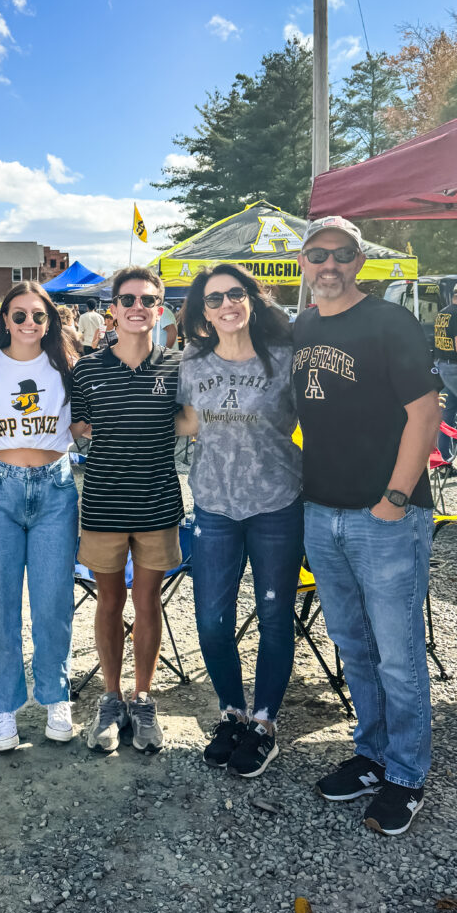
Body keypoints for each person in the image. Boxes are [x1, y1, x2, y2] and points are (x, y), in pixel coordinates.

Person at [293, 215, 440, 836]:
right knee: (353, 646)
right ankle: (371, 754)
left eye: (341, 254)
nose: (329, 265)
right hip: (319, 512)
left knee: (400, 654)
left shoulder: (390, 323)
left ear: (359, 261)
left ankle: (407, 773)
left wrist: (396, 497)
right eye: (317, 254)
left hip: (385, 516)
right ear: (303, 262)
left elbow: (426, 412)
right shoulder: (299, 329)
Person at [176, 264, 302, 777]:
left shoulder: (286, 360)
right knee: (211, 618)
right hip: (214, 506)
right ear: (202, 312)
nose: (226, 304)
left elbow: (317, 419)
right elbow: (186, 419)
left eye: (234, 293)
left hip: (276, 504)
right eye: (213, 299)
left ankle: (265, 722)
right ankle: (231, 712)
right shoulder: (192, 362)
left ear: (252, 299)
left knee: (274, 617)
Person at [71, 266, 182, 755]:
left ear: (160, 309)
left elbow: (192, 420)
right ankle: (110, 698)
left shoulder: (177, 367)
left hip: (158, 504)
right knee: (109, 602)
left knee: (148, 602)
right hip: (103, 504)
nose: (138, 307)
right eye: (128, 299)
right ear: (112, 309)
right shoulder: (88, 369)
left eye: (148, 300)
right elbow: (77, 425)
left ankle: (143, 698)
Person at [0, 282, 78, 750]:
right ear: (5, 321)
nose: (29, 324)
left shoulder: (67, 366)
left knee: (53, 602)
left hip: (55, 487)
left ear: (51, 320)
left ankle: (56, 696)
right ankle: (2, 706)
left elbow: (90, 419)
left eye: (39, 315)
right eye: (19, 315)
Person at [433, 281, 457, 461]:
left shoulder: (443, 314)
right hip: (456, 368)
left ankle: (442, 459)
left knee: (448, 413)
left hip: (443, 365)